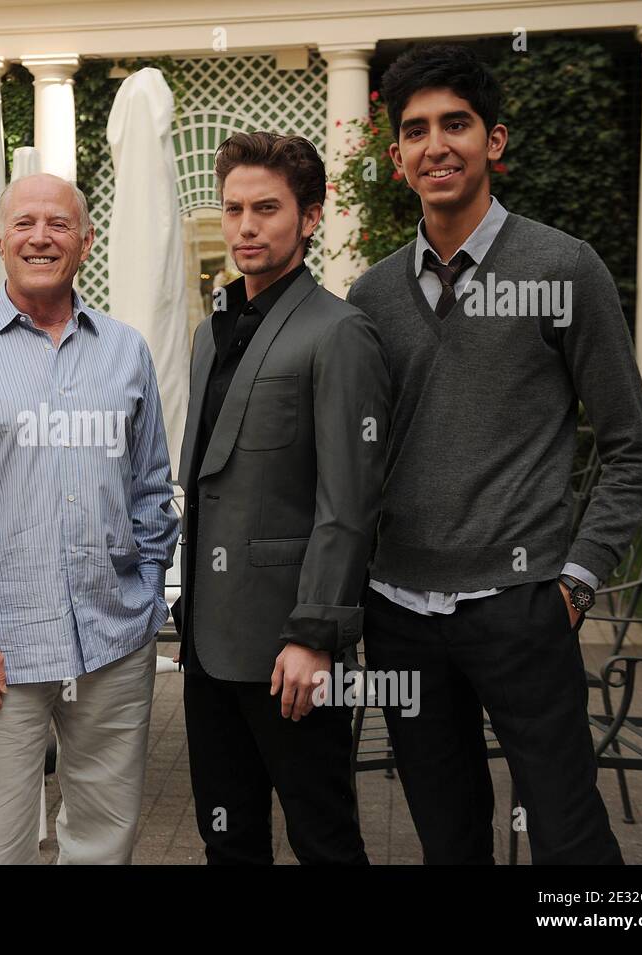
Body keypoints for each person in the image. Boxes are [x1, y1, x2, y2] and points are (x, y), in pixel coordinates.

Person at [346, 44, 642, 864]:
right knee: (448, 839)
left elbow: (632, 445)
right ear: (396, 159)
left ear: (496, 141)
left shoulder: (564, 268)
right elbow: (356, 454)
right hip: (400, 615)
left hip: (522, 605)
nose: (436, 144)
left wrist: (577, 580)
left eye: (457, 123)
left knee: (569, 835)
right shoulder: (371, 296)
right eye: (416, 130)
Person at [0, 172, 179, 865]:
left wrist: (148, 595)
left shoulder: (127, 350)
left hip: (115, 640)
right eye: (24, 223)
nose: (41, 237)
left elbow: (152, 485)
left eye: (58, 224)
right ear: (0, 239)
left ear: (85, 241)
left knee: (104, 840)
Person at [172, 131, 389, 865]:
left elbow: (348, 501)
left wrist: (315, 634)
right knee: (226, 838)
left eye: (267, 208)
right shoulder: (210, 333)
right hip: (207, 643)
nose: (246, 225)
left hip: (290, 648)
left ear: (310, 216)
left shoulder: (341, 332)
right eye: (234, 209)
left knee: (323, 836)